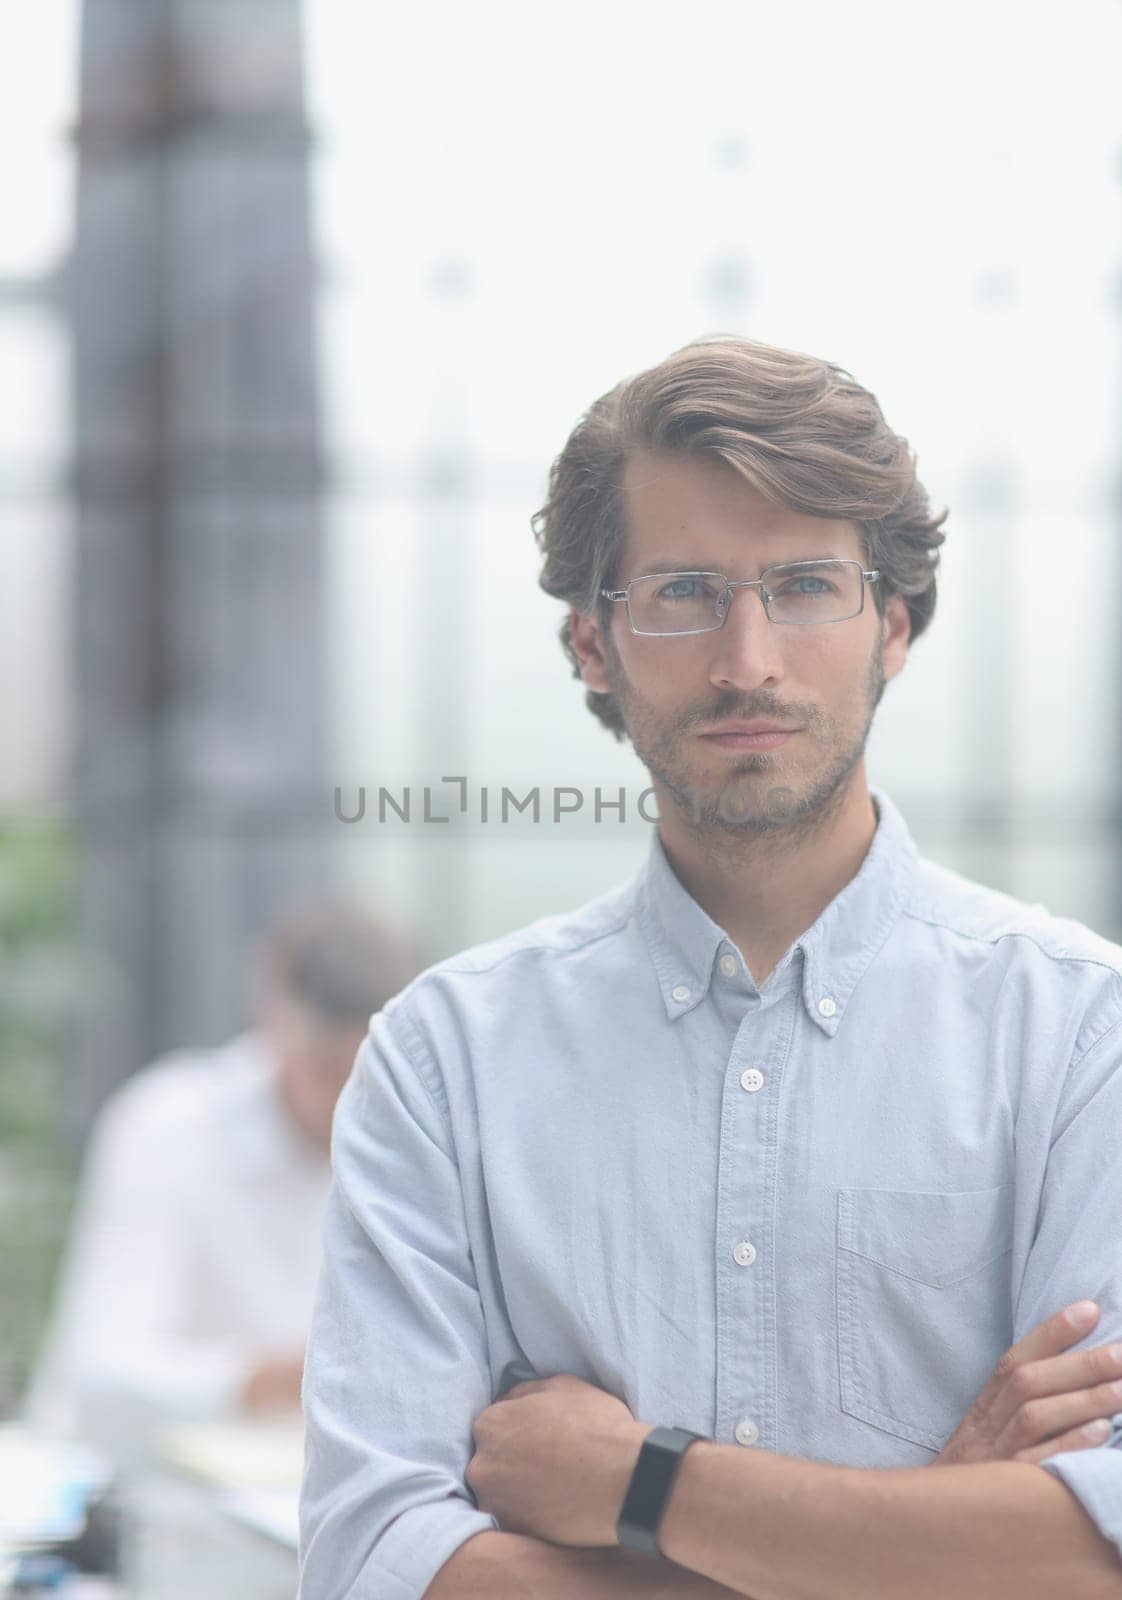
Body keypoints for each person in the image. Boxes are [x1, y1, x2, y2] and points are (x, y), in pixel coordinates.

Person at [298, 336, 1122, 1600]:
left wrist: (641, 1485)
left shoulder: (1079, 1034)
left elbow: (1092, 1558)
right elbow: (373, 1560)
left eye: (803, 586)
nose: (749, 660)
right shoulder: (444, 1060)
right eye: (684, 592)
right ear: (591, 645)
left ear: (893, 625)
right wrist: (935, 1533)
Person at [25, 904, 419, 1458]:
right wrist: (274, 1378)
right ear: (276, 1021)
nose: (348, 1103)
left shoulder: (415, 1152)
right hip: (150, 1500)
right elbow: (99, 1378)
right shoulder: (171, 1124)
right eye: (331, 1072)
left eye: (371, 1079)